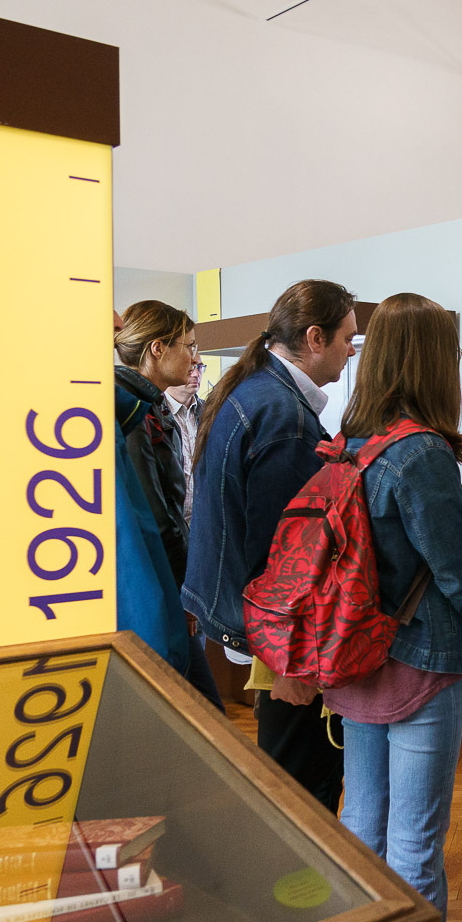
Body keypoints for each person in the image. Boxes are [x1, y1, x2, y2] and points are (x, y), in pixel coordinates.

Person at [320, 293, 462, 922]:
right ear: (431, 360)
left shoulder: (349, 441)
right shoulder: (420, 452)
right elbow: (458, 573)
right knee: (416, 846)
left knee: (362, 826)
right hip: (419, 663)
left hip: (357, 658)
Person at [183, 279, 359, 812]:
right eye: (347, 338)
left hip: (251, 624)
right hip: (279, 640)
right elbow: (282, 560)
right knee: (301, 796)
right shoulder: (282, 417)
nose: (352, 350)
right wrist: (289, 665)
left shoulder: (255, 394)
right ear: (314, 337)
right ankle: (304, 896)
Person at [114, 301, 221, 709]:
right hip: (159, 588)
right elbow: (157, 516)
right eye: (188, 346)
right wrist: (187, 592)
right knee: (204, 719)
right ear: (158, 349)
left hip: (162, 584)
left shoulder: (145, 405)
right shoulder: (131, 411)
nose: (195, 358)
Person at [165, 360, 205, 525]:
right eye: (190, 368)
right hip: (170, 526)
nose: (196, 374)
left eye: (199, 367)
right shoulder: (154, 414)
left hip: (203, 526)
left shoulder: (212, 411)